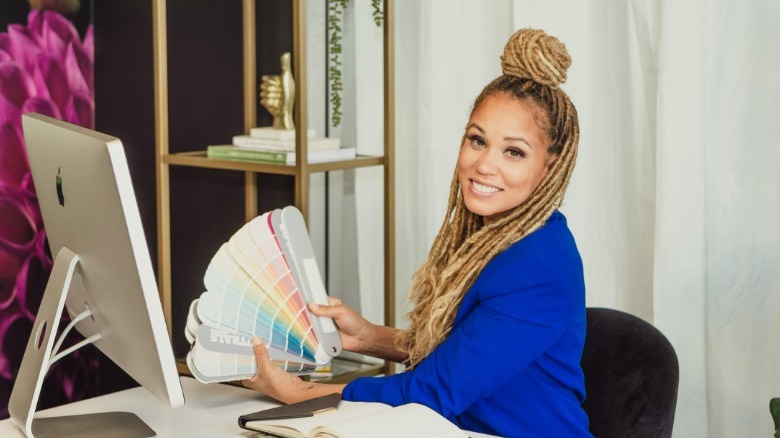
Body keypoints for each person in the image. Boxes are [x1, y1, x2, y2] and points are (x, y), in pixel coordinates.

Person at [242, 27, 591, 437]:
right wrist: (372, 337)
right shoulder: (492, 234)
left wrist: (301, 393)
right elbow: (466, 351)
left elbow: (436, 390)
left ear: (550, 168)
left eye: (513, 151)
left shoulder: (538, 267)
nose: (484, 165)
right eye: (477, 140)